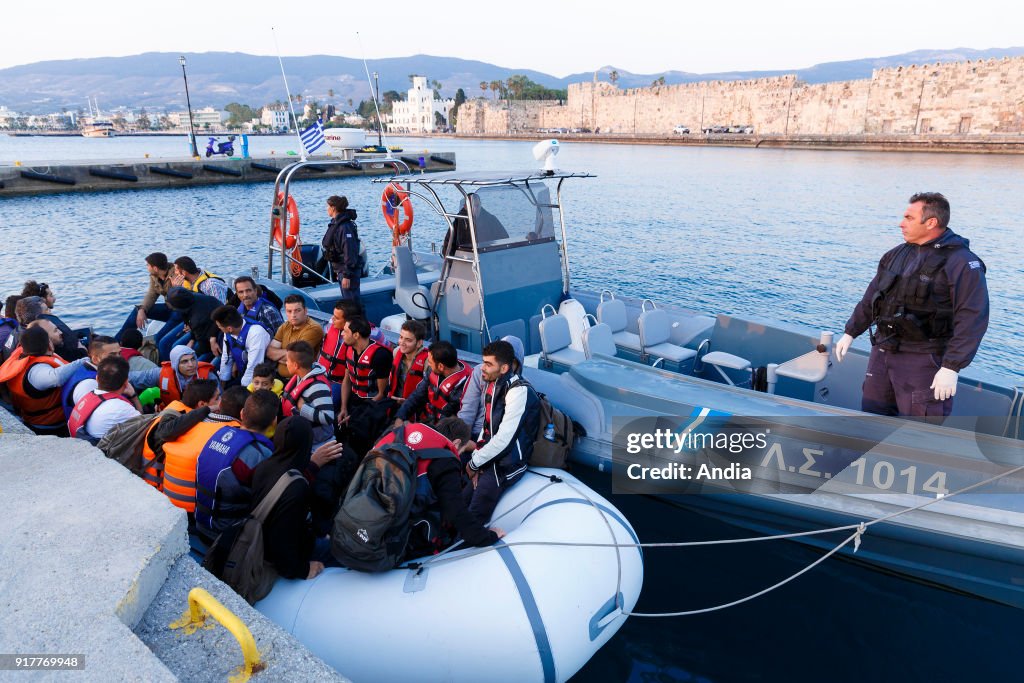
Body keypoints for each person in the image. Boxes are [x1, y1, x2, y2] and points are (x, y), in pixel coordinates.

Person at [834, 193, 989, 417]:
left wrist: (951, 366)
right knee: (872, 416)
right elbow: (872, 297)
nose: (901, 222)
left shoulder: (962, 263)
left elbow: (972, 317)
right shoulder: (895, 255)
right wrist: (850, 332)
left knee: (918, 429)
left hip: (923, 359)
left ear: (931, 222)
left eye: (909, 217)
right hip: (883, 351)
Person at [372, 417, 502, 560]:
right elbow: (456, 512)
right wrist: (488, 536)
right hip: (390, 540)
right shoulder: (446, 460)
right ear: (456, 443)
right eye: (462, 450)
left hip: (367, 513)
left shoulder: (405, 433)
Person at [250, 417, 346, 580]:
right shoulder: (297, 489)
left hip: (260, 539)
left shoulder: (264, 466)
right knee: (343, 550)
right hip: (285, 556)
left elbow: (284, 481)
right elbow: (282, 544)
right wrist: (303, 570)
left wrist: (313, 465)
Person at [463, 340, 540, 525]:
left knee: (476, 507)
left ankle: (464, 545)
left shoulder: (519, 391)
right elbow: (486, 428)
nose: (483, 368)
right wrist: (477, 460)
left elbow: (505, 440)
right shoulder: (492, 384)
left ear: (504, 368)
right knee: (462, 497)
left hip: (510, 462)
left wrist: (474, 464)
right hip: (492, 456)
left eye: (489, 364)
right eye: (483, 362)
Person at [194, 389, 279, 539]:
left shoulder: (219, 434)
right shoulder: (261, 454)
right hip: (227, 536)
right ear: (274, 421)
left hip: (200, 524)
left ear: (241, 414)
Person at [161, 384, 247, 512]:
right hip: (195, 509)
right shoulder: (234, 433)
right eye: (217, 398)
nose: (219, 402)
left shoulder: (190, 422)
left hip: (167, 500)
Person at [0, 322, 88, 436]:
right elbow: (57, 377)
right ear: (49, 345)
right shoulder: (36, 372)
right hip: (49, 427)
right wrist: (85, 360)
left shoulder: (19, 355)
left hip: (39, 419)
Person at [337, 318, 394, 454]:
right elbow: (347, 379)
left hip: (372, 406)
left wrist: (357, 414)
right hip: (354, 400)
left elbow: (381, 393)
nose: (342, 334)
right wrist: (343, 407)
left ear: (356, 335)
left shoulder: (380, 355)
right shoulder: (348, 349)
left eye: (345, 331)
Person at [395, 341, 473, 426]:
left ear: (441, 366)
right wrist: (400, 417)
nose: (428, 364)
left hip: (442, 430)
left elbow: (450, 421)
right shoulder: (433, 371)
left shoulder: (464, 387)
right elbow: (417, 395)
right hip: (426, 421)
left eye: (430, 362)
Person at [459, 335, 524, 436]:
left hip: (495, 440)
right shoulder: (479, 373)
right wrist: (462, 438)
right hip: (475, 433)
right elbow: (468, 409)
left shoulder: (520, 389)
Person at [68, 355, 141, 442]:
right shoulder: (121, 408)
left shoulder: (86, 397)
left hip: (82, 446)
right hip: (101, 454)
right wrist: (134, 397)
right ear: (126, 383)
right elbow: (144, 427)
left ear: (97, 378)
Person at [281, 341, 335, 447]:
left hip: (316, 442)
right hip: (299, 433)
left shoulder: (318, 387)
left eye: (287, 360)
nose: (286, 363)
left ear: (296, 365)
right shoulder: (300, 376)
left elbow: (328, 417)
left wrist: (302, 408)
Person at [117, 252, 178, 345]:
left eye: (148, 265)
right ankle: (116, 342)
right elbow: (151, 294)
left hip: (179, 312)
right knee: (137, 311)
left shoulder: (177, 274)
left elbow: (181, 298)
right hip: (169, 308)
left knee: (159, 338)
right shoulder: (155, 276)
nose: (147, 267)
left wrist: (175, 287)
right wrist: (142, 309)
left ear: (155, 268)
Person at [132, 344, 218, 410]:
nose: (191, 365)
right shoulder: (161, 374)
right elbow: (136, 378)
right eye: (184, 361)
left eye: (193, 359)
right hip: (172, 415)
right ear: (175, 365)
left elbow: (219, 402)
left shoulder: (208, 376)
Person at [21, 281, 86, 361]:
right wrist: (82, 350)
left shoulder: (26, 327)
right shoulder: (44, 327)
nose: (54, 299)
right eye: (51, 295)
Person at [61, 334, 122, 419]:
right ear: (95, 359)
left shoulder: (87, 370)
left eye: (119, 353)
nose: (119, 359)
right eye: (112, 355)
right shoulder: (89, 385)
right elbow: (99, 419)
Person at [265, 295, 324, 380]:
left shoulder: (313, 328)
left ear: (305, 310)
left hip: (301, 380)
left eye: (297, 310)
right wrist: (290, 357)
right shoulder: (285, 326)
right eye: (289, 311)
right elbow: (270, 352)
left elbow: (298, 357)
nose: (293, 315)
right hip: (280, 377)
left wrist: (278, 357)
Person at [212, 305, 271, 388]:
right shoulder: (228, 333)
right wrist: (222, 388)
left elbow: (253, 367)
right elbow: (226, 358)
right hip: (242, 369)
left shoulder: (256, 333)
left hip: (260, 376)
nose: (219, 328)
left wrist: (242, 390)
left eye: (219, 327)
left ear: (229, 328)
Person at [165, 286, 221, 360]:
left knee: (193, 358)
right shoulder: (192, 296)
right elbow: (187, 317)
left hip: (215, 337)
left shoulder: (197, 319)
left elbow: (204, 348)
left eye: (172, 306)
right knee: (175, 346)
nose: (169, 307)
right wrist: (192, 340)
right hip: (202, 328)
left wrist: (186, 355)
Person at [322, 195, 361, 302]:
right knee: (349, 302)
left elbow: (350, 251)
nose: (326, 209)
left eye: (328, 206)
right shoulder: (336, 224)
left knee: (352, 303)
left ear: (333, 208)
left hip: (347, 272)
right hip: (341, 269)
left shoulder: (345, 227)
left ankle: (358, 319)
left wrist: (346, 275)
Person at [317, 300, 361, 387]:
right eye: (333, 315)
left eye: (337, 318)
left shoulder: (360, 337)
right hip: (320, 374)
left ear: (348, 321)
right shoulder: (329, 327)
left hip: (340, 383)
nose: (332, 319)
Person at [388, 320, 429, 402]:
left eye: (408, 340)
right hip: (394, 401)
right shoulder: (396, 352)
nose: (402, 343)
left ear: (419, 343)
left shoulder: (427, 362)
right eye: (401, 337)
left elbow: (429, 392)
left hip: (415, 408)